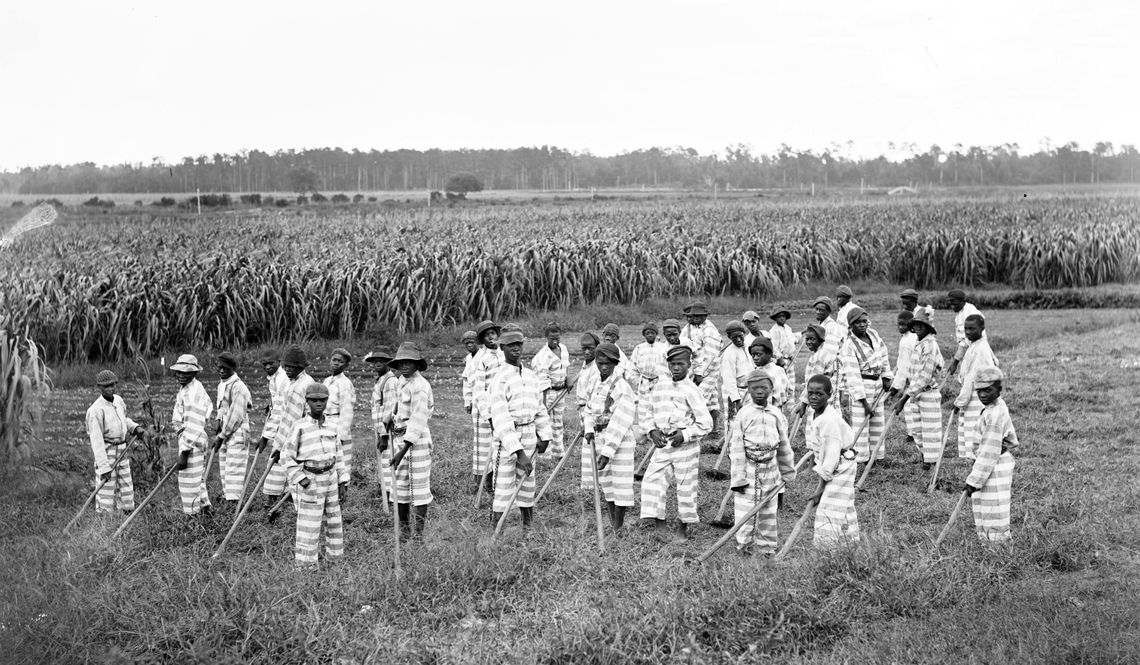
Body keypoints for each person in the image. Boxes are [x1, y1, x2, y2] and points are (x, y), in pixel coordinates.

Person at [640, 345, 712, 543]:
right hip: (663, 444)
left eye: (681, 364)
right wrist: (652, 431)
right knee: (652, 481)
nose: (676, 368)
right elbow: (647, 413)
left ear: (689, 365)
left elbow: (706, 423)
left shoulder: (692, 390)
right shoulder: (660, 387)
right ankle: (659, 525)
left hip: (685, 447)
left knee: (685, 486)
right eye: (673, 364)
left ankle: (682, 529)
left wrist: (686, 434)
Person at [489, 330, 553, 529]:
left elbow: (539, 408)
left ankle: (528, 528)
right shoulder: (499, 379)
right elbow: (500, 418)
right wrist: (518, 452)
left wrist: (545, 435)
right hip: (507, 439)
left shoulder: (530, 376)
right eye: (511, 345)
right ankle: (496, 530)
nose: (516, 348)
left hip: (529, 433)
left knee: (527, 482)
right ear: (502, 348)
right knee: (503, 485)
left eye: (519, 344)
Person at [282, 383, 347, 570]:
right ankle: (306, 565)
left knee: (334, 520)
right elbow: (287, 456)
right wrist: (300, 478)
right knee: (309, 524)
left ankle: (335, 560)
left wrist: (343, 481)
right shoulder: (299, 427)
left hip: (331, 478)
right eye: (314, 400)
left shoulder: (332, 426)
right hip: (311, 479)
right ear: (307, 401)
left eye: (322, 400)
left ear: (327, 401)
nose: (318, 404)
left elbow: (339, 454)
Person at [729, 371, 795, 557]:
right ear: (748, 390)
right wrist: (739, 478)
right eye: (755, 388)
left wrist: (787, 470)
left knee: (768, 509)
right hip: (749, 467)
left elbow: (784, 445)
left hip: (771, 468)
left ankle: (767, 547)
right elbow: (736, 449)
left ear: (771, 389)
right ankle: (744, 546)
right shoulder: (744, 414)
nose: (760, 392)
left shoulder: (776, 414)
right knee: (745, 509)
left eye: (764, 388)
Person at [583, 343, 638, 532]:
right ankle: (612, 521)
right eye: (600, 363)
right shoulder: (595, 383)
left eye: (608, 363)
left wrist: (607, 452)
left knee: (620, 483)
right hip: (599, 436)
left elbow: (621, 421)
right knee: (606, 482)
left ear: (615, 363)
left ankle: (619, 526)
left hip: (619, 440)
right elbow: (588, 409)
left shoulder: (621, 386)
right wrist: (589, 428)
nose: (604, 367)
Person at [387, 342, 435, 541]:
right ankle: (404, 529)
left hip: (417, 440)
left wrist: (402, 450)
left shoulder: (420, 387)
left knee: (419, 486)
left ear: (417, 364)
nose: (405, 365)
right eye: (401, 362)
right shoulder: (401, 381)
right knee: (400, 485)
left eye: (409, 362)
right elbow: (398, 405)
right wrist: (390, 416)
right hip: (400, 436)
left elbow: (418, 419)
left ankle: (418, 534)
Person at [964, 367, 1018, 542]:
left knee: (994, 508)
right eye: (979, 391)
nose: (982, 395)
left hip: (994, 464)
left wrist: (973, 481)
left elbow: (988, 451)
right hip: (988, 464)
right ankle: (987, 543)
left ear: (999, 389)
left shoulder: (995, 414)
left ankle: (998, 550)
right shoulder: (992, 407)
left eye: (988, 390)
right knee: (984, 506)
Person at [804, 374, 858, 547]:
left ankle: (826, 549)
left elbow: (831, 457)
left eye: (819, 394)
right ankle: (848, 544)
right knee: (843, 503)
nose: (813, 397)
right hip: (838, 461)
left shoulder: (829, 420)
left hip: (841, 464)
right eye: (810, 393)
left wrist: (820, 488)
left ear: (830, 395)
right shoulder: (818, 414)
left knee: (829, 506)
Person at [262, 345, 315, 514]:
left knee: (295, 469)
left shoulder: (299, 386)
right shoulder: (299, 382)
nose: (288, 370)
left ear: (301, 367)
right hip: (304, 433)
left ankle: (295, 507)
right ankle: (289, 505)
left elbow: (289, 421)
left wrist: (278, 447)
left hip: (300, 435)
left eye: (292, 367)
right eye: (286, 366)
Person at [837, 307, 893, 463]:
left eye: (864, 321)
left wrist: (886, 376)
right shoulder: (849, 345)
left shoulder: (873, 334)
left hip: (877, 383)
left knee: (878, 421)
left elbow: (883, 354)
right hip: (863, 384)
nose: (862, 325)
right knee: (862, 423)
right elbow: (852, 374)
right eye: (858, 322)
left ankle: (876, 456)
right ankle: (861, 459)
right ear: (851, 325)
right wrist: (863, 401)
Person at [85, 370, 145, 514]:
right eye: (106, 386)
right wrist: (104, 467)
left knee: (126, 485)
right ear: (99, 387)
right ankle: (104, 522)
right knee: (106, 488)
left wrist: (134, 427)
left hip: (123, 449)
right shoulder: (95, 410)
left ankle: (126, 516)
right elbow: (97, 441)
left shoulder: (118, 400)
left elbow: (123, 419)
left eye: (112, 385)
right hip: (107, 451)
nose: (110, 389)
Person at [891, 307, 944, 469]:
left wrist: (904, 398)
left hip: (927, 393)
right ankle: (924, 457)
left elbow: (924, 376)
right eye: (916, 324)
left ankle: (931, 463)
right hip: (915, 393)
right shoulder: (917, 343)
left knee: (930, 430)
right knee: (917, 430)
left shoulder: (930, 346)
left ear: (928, 327)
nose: (919, 327)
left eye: (922, 325)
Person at [170, 354, 214, 516]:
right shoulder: (191, 387)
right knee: (197, 477)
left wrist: (185, 452)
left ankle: (192, 516)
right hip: (193, 436)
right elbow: (208, 406)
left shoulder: (192, 393)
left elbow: (194, 423)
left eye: (186, 372)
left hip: (192, 439)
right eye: (179, 372)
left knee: (188, 480)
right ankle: (206, 508)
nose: (181, 375)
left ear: (194, 373)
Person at [952, 314, 999, 460]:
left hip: (976, 397)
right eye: (966, 329)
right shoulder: (976, 345)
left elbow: (971, 379)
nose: (968, 332)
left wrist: (959, 402)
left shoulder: (981, 349)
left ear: (982, 328)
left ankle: (977, 467)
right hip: (975, 394)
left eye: (972, 329)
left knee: (974, 433)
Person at [213, 352, 252, 506]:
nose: (222, 371)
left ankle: (234, 502)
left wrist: (222, 435)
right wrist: (218, 428)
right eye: (220, 367)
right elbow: (221, 410)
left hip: (237, 432)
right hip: (224, 431)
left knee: (234, 469)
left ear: (233, 368)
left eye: (226, 368)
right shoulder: (221, 385)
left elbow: (235, 415)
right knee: (224, 467)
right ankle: (227, 497)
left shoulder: (238, 387)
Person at [470, 320, 504, 494]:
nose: (491, 337)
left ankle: (498, 484)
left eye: (493, 334)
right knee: (484, 449)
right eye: (487, 335)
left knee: (500, 445)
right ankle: (483, 485)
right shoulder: (480, 359)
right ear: (482, 340)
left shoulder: (503, 354)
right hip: (483, 410)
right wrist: (488, 415)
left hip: (501, 407)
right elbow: (478, 391)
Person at [681, 300, 723, 440]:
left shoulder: (710, 330)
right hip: (693, 367)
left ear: (705, 316)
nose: (696, 318)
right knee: (711, 399)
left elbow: (710, 355)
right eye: (694, 316)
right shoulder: (688, 328)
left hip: (709, 369)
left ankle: (698, 430)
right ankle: (714, 430)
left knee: (698, 397)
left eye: (700, 316)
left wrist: (700, 374)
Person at [530, 323, 570, 458]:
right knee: (546, 423)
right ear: (546, 337)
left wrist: (567, 379)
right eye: (552, 338)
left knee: (558, 423)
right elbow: (542, 383)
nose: (555, 341)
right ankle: (544, 456)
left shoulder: (563, 349)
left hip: (561, 391)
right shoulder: (542, 356)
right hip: (548, 392)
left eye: (557, 338)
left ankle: (558, 453)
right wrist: (544, 405)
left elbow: (566, 368)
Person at [627, 322, 670, 443]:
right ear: (644, 335)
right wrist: (638, 381)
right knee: (643, 407)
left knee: (657, 406)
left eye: (652, 333)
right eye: (647, 333)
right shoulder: (639, 348)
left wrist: (663, 380)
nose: (650, 335)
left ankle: (656, 433)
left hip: (659, 380)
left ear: (656, 334)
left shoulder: (662, 347)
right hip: (644, 381)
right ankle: (644, 433)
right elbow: (632, 367)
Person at [365, 347, 397, 500]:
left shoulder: (390, 381)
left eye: (382, 361)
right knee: (383, 461)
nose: (378, 363)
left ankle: (391, 497)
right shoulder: (380, 380)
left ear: (388, 363)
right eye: (375, 361)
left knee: (388, 460)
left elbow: (389, 409)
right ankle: (385, 494)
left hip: (387, 430)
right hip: (380, 429)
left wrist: (384, 435)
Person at [323, 348, 356, 475]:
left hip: (338, 424)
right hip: (326, 422)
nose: (336, 363)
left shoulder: (345, 384)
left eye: (340, 362)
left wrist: (341, 435)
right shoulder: (327, 381)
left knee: (341, 465)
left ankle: (342, 492)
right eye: (334, 360)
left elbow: (347, 411)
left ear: (346, 365)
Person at [890, 310, 920, 448]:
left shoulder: (908, 340)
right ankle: (912, 433)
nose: (901, 327)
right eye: (899, 324)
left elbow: (904, 365)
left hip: (912, 377)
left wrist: (896, 386)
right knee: (911, 406)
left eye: (904, 325)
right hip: (913, 377)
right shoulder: (908, 338)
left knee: (910, 406)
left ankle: (913, 434)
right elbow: (901, 363)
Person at [575, 331, 601, 490]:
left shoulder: (597, 368)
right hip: (582, 408)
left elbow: (594, 396)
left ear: (597, 348)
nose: (586, 352)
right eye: (584, 348)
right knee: (587, 447)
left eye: (590, 348)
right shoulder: (586, 365)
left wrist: (587, 419)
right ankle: (589, 486)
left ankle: (593, 486)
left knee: (591, 445)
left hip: (590, 411)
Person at [796, 324, 839, 417]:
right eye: (807, 339)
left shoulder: (821, 356)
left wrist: (803, 404)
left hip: (821, 397)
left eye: (812, 339)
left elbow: (814, 380)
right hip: (818, 395)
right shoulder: (817, 354)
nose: (809, 342)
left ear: (820, 340)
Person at [945, 289, 984, 378]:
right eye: (950, 302)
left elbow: (967, 341)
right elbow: (963, 342)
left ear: (962, 301)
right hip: (970, 351)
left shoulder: (970, 313)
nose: (951, 306)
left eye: (953, 302)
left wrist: (955, 362)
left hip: (977, 352)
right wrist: (955, 362)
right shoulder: (959, 314)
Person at [257, 349, 289, 458]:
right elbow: (276, 398)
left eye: (271, 363)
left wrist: (265, 438)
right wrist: (271, 403)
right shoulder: (273, 379)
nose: (267, 367)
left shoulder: (283, 379)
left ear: (279, 361)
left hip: (286, 421)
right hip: (280, 419)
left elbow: (280, 409)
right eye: (264, 364)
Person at [720, 321, 752, 422]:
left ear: (744, 334)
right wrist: (736, 400)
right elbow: (728, 379)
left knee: (748, 418)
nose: (738, 339)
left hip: (748, 389)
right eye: (734, 337)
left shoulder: (748, 348)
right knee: (733, 421)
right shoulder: (729, 353)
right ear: (729, 338)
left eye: (740, 336)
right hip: (734, 392)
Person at [767, 306, 799, 403]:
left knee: (791, 383)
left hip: (790, 359)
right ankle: (780, 402)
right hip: (781, 360)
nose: (782, 318)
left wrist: (802, 333)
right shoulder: (774, 331)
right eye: (779, 316)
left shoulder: (788, 328)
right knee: (782, 383)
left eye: (784, 316)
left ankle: (790, 404)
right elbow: (773, 347)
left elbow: (792, 339)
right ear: (775, 318)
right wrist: (779, 358)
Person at [748, 336, 788, 409]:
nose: (755, 358)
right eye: (753, 355)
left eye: (758, 354)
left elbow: (777, 396)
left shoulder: (770, 373)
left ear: (769, 354)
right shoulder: (759, 371)